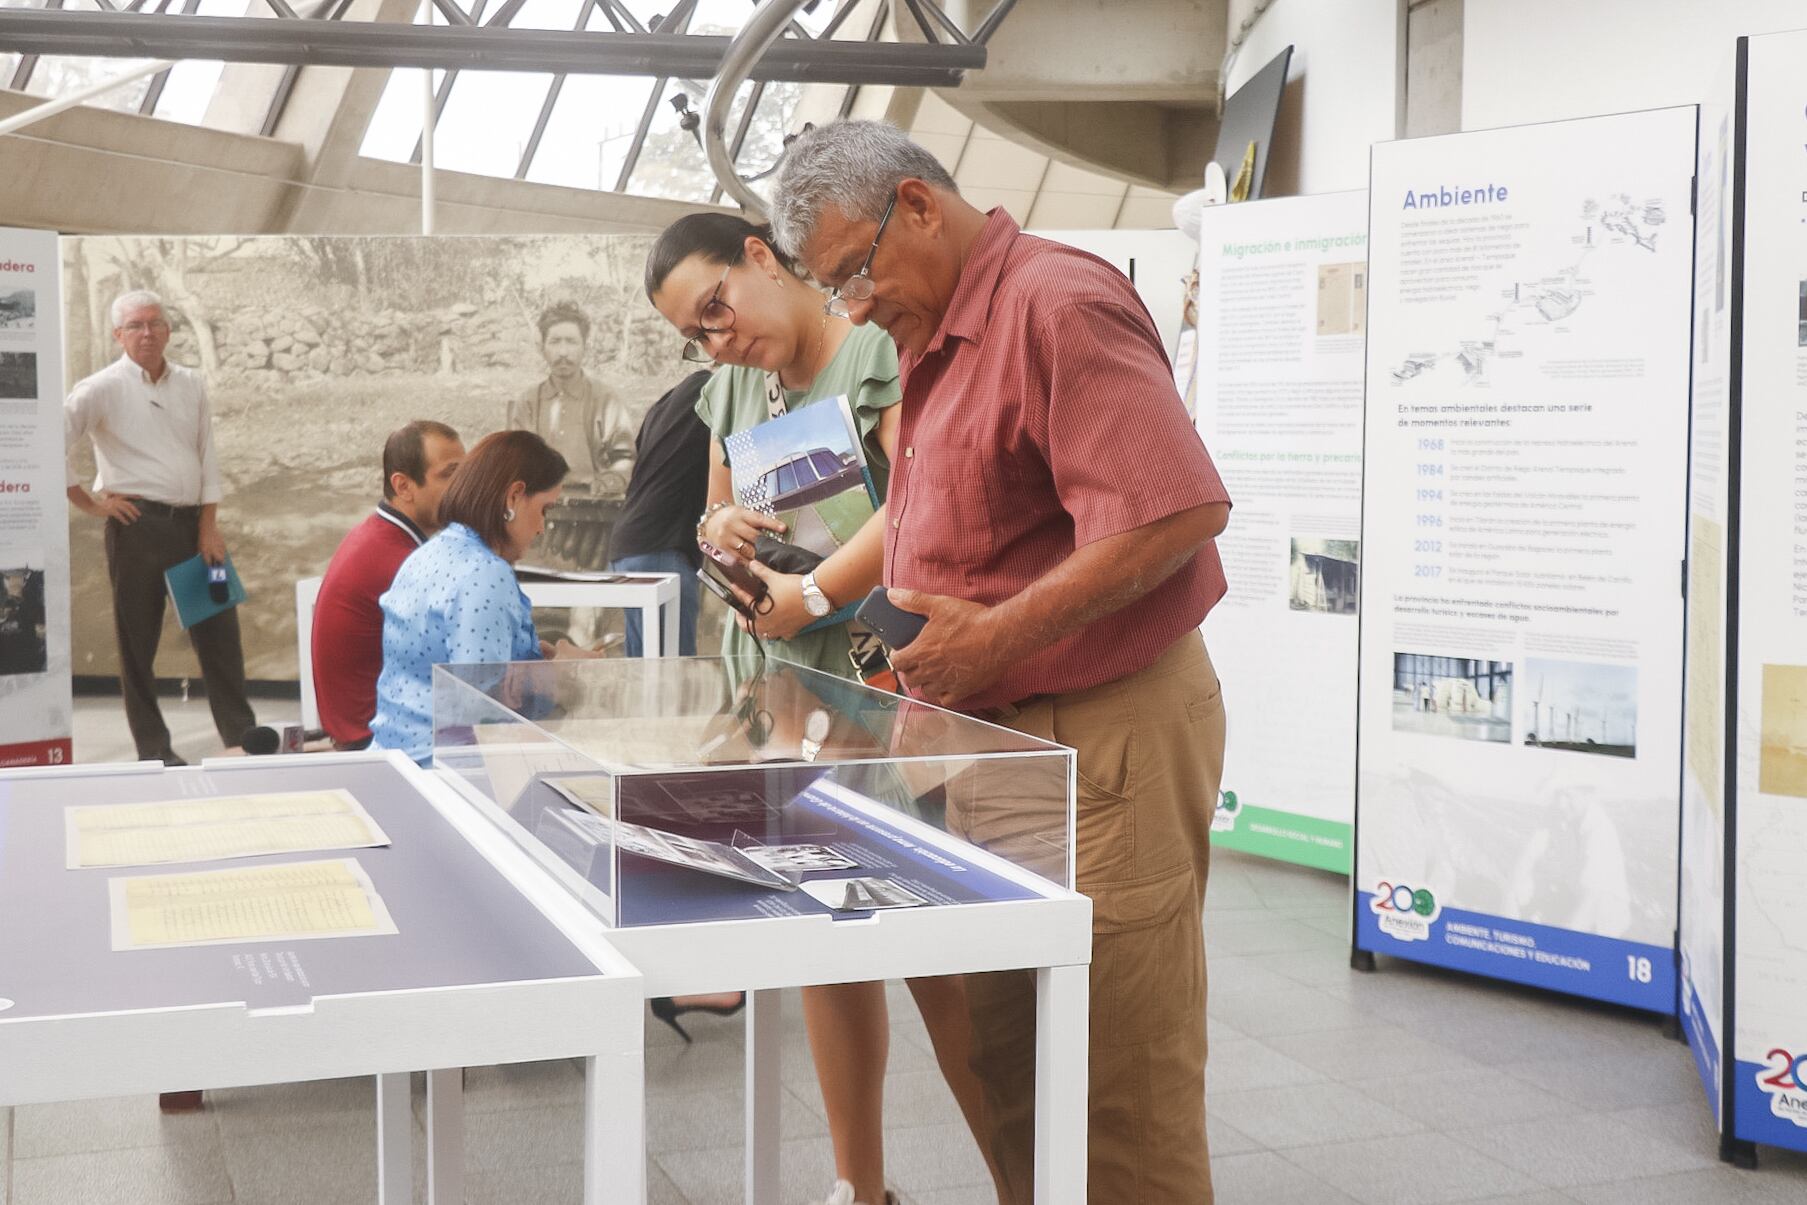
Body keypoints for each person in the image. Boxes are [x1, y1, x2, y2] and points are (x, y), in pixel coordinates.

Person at [775, 120, 1233, 1204]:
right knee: (1011, 1064)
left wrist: (993, 636)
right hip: (986, 745)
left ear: (917, 206)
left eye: (854, 274)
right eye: (834, 288)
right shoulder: (938, 330)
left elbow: (1177, 509)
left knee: (1119, 1083)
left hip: (1097, 736)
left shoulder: (1053, 304)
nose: (853, 308)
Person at [645, 213, 1000, 1205]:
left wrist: (811, 591)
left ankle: (1021, 1180)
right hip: (783, 692)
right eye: (695, 333)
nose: (716, 339)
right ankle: (861, 1185)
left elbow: (918, 503)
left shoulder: (875, 353)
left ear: (761, 256)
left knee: (938, 957)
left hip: (885, 692)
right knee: (827, 940)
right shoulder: (730, 388)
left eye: (716, 307)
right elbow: (714, 522)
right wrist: (721, 530)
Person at [64, 289, 256, 765]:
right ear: (118, 334)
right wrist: (91, 505)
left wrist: (209, 525)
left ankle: (242, 737)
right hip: (138, 532)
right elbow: (49, 443)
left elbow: (206, 454)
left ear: (168, 330)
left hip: (196, 530)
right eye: (135, 325)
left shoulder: (190, 383)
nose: (146, 333)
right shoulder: (99, 388)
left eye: (154, 323)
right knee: (138, 645)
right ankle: (155, 751)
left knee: (221, 636)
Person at [369, 429, 600, 765]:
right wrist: (560, 675)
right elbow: (481, 713)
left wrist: (531, 660)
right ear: (514, 497)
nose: (541, 528)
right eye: (544, 509)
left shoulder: (431, 553)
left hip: (402, 761)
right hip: (449, 772)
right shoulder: (486, 574)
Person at [312, 421, 465, 750]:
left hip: (368, 730)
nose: (463, 487)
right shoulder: (400, 560)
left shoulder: (379, 536)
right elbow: (464, 663)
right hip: (379, 741)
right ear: (403, 486)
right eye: (449, 475)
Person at [507, 301, 636, 569]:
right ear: (542, 347)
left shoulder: (606, 399)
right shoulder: (528, 402)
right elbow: (515, 462)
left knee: (589, 577)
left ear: (584, 347)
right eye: (555, 342)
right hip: (540, 511)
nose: (563, 352)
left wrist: (612, 479)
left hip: (594, 514)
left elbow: (625, 457)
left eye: (571, 342)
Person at [605, 371, 711, 656]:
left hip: (631, 547)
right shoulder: (713, 392)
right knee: (671, 672)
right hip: (661, 549)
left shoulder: (668, 401)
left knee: (644, 668)